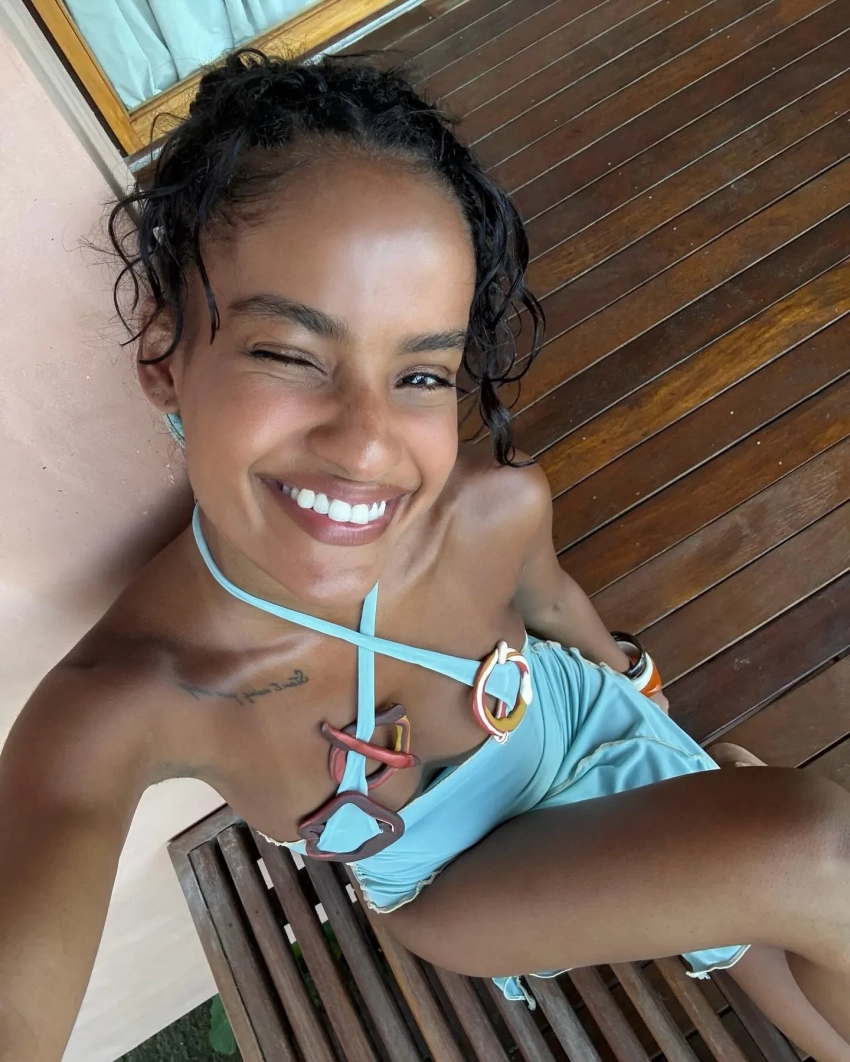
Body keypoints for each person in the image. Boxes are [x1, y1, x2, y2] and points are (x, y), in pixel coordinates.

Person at [1, 50, 848, 1062]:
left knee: (797, 930)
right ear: (163, 354)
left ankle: (722, 825)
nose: (366, 447)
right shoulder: (130, 701)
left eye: (420, 375)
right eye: (289, 354)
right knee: (809, 855)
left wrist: (643, 695)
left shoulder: (492, 508)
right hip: (457, 882)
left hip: (582, 733)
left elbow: (555, 606)